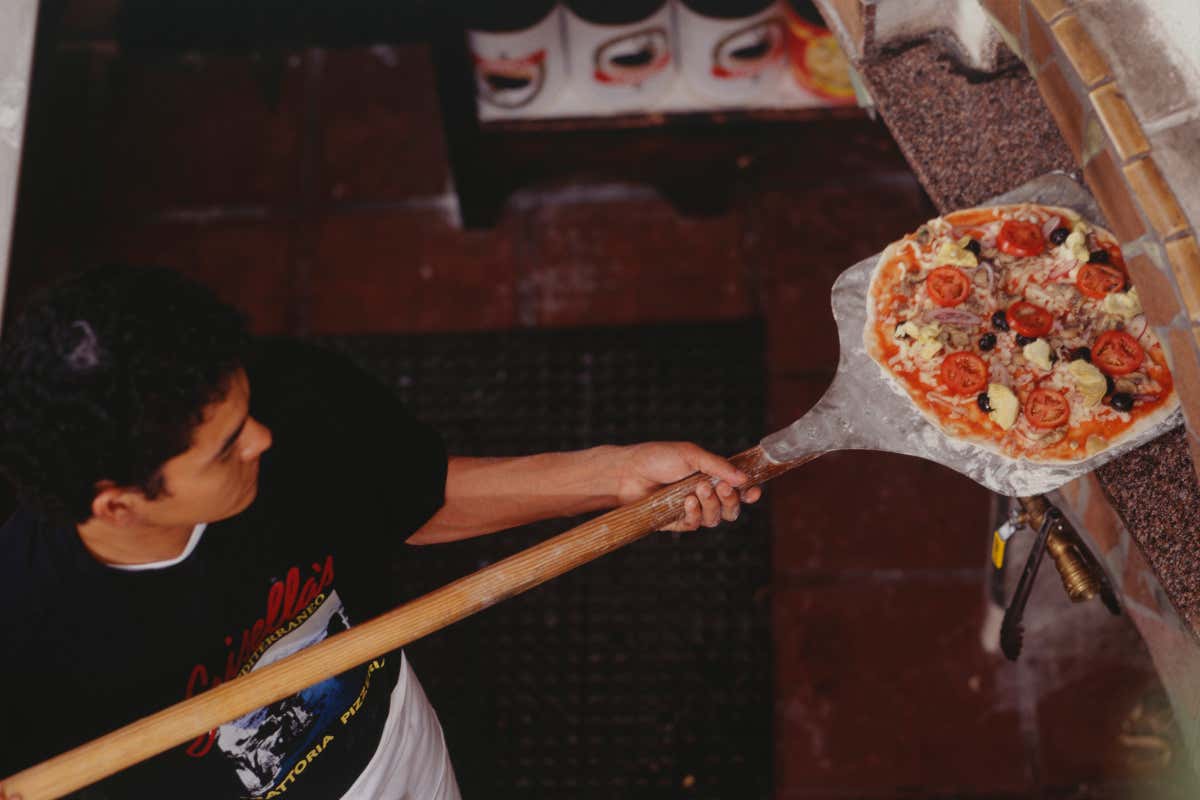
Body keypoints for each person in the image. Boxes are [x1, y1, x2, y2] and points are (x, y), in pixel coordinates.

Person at [0, 265, 760, 799]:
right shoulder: (24, 630)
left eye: (245, 409)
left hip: (394, 746)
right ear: (119, 504)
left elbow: (407, 498)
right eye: (226, 447)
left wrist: (614, 476)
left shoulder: (295, 399)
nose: (262, 437)